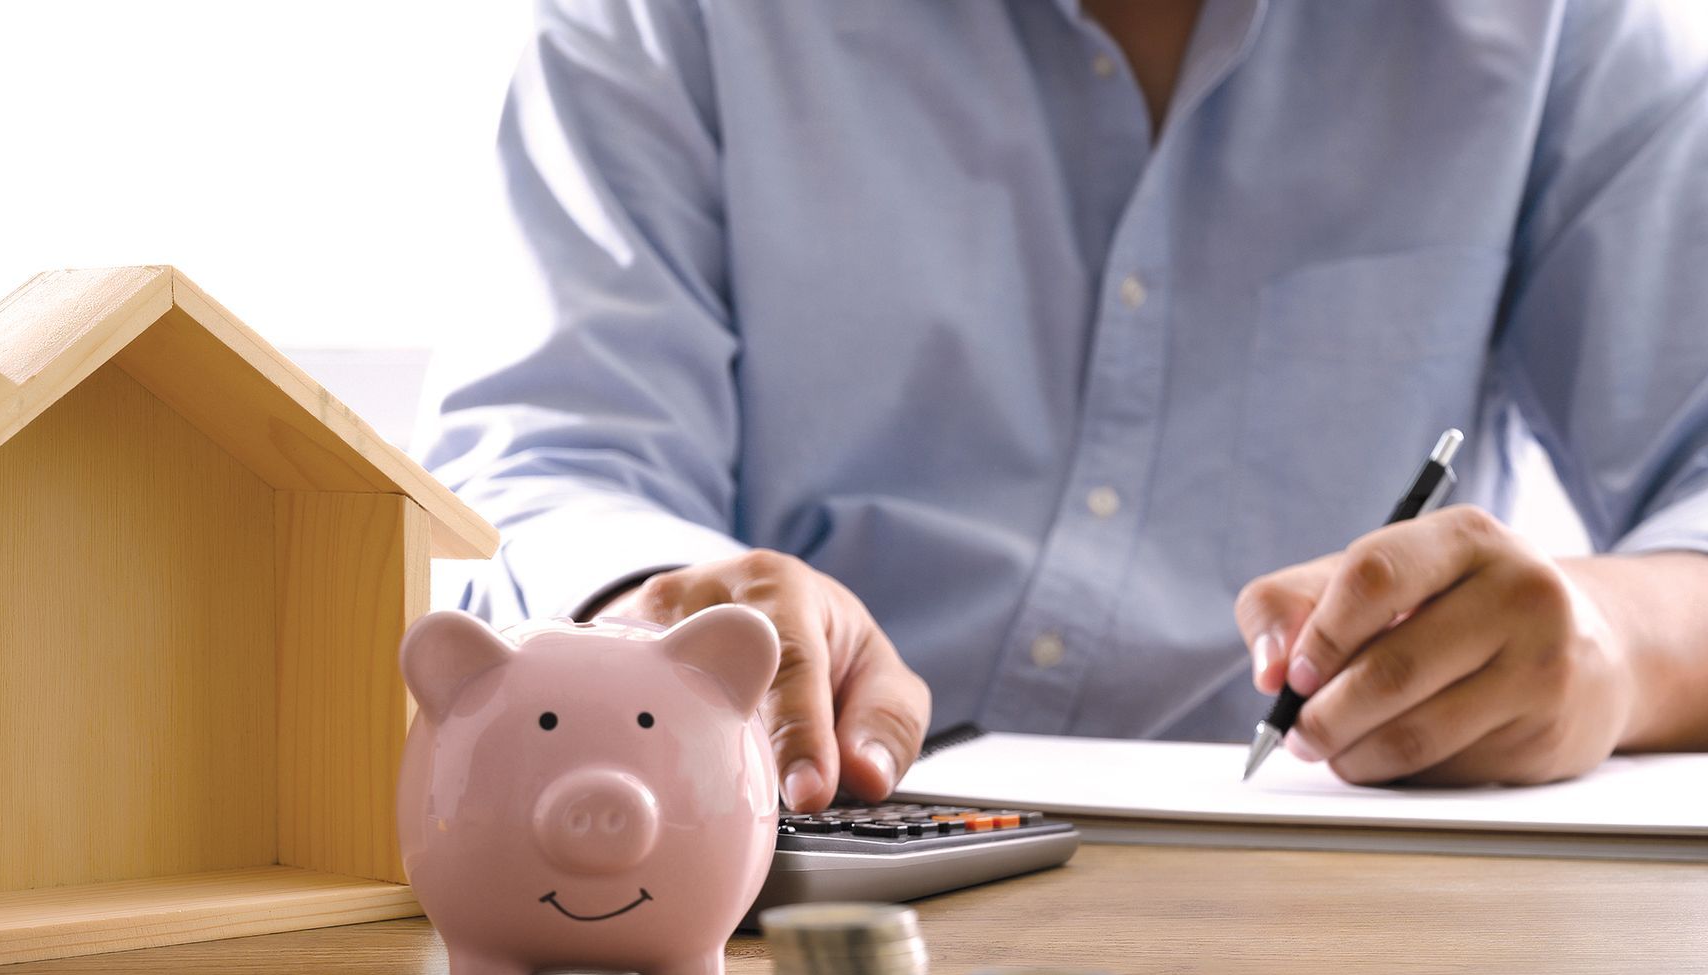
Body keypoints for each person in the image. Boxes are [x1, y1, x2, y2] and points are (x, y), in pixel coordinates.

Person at [417, 0, 1708, 812]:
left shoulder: (1563, 29)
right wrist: (668, 605)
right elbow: (549, 455)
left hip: (1344, 898)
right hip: (759, 866)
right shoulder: (671, 19)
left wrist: (1609, 643)